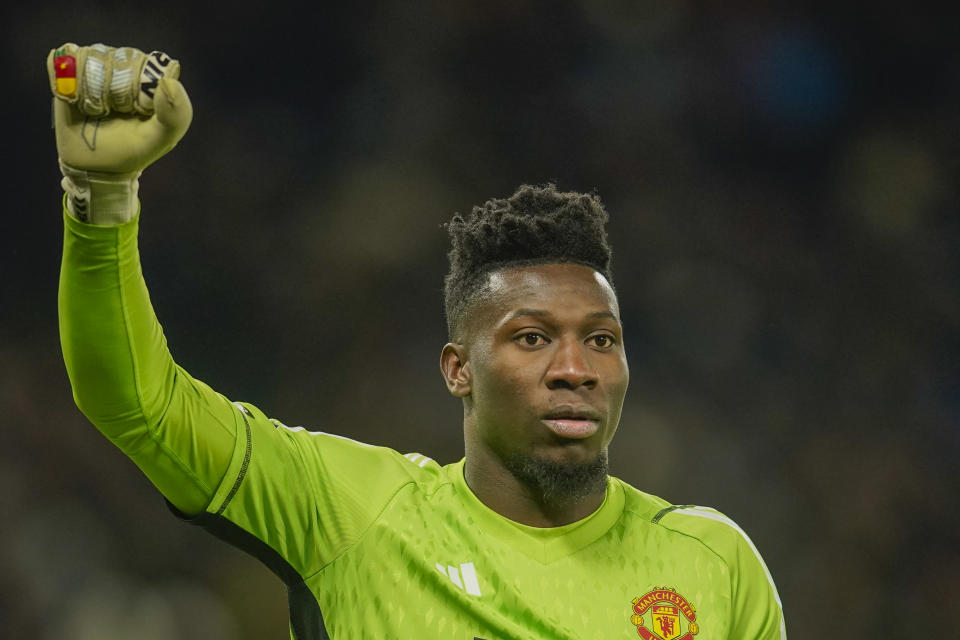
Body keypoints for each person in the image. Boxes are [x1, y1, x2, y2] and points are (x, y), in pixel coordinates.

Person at [52, 43, 786, 639]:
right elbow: (134, 400)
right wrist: (101, 200)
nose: (574, 369)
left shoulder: (712, 564)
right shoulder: (349, 513)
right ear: (457, 369)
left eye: (600, 340)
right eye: (532, 339)